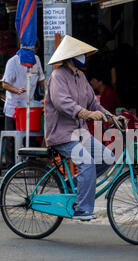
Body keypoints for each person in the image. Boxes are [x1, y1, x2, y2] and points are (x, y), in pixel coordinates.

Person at [44, 35, 123, 221]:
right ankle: (82, 209)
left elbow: (93, 104)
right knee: (87, 163)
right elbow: (63, 103)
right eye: (81, 54)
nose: (85, 58)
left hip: (80, 134)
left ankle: (77, 187)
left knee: (108, 157)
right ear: (72, 57)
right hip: (62, 135)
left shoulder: (81, 77)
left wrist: (111, 117)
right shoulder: (58, 76)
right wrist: (86, 114)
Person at [1, 47, 45, 169]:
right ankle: (11, 167)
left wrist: (49, 92)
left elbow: (41, 80)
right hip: (13, 106)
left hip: (29, 106)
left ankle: (30, 165)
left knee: (30, 137)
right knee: (11, 138)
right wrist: (17, 90)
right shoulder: (13, 62)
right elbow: (5, 84)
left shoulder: (36, 60)